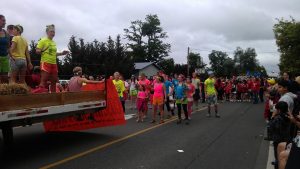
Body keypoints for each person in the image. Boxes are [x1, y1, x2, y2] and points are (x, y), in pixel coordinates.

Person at [36, 24, 69, 92]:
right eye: (51, 31)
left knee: (54, 81)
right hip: (45, 62)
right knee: (43, 80)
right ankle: (41, 96)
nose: (53, 33)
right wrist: (42, 50)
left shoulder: (53, 42)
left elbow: (54, 54)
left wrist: (62, 53)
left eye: (54, 32)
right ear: (47, 32)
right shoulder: (43, 40)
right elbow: (37, 51)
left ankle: (53, 97)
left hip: (53, 63)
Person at [268, 101, 291, 169]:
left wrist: (272, 116)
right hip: (286, 138)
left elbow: (270, 127)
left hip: (278, 139)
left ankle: (277, 165)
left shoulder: (278, 118)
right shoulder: (289, 116)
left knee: (278, 155)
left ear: (279, 110)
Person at [0, 15, 10, 83]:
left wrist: (9, 55)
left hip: (5, 58)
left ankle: (5, 92)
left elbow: (8, 45)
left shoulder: (6, 33)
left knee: (5, 78)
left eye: (5, 21)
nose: (5, 22)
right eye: (3, 20)